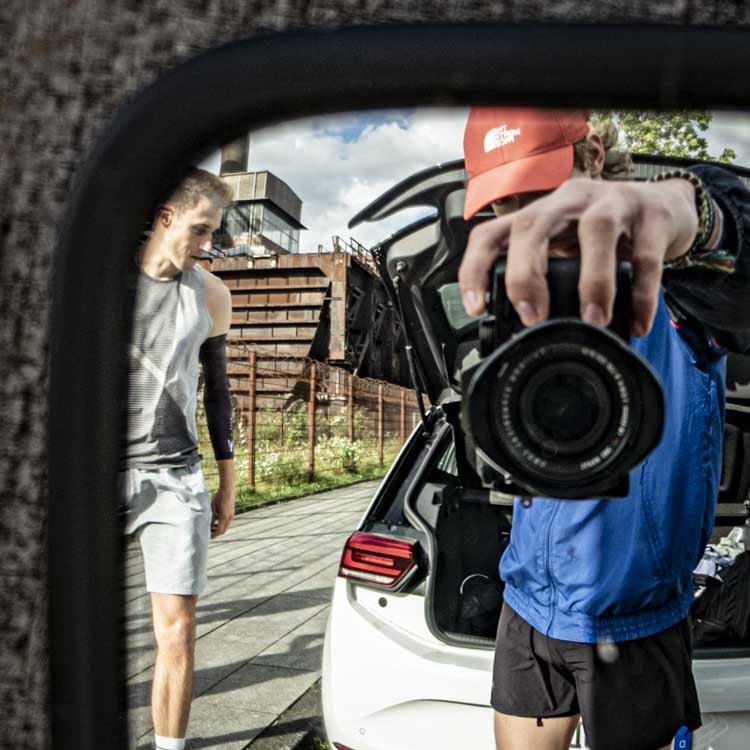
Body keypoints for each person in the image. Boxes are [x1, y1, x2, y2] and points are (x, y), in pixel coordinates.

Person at [459, 107, 750, 750]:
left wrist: (694, 216)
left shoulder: (672, 282)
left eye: (539, 191)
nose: (527, 219)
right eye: (503, 203)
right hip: (529, 605)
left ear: (591, 155)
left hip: (637, 622)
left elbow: (737, 256)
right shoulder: (518, 300)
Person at [119, 167, 236, 750]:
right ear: (167, 217)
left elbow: (219, 392)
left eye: (214, 232)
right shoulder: (102, 280)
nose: (208, 245)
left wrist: (228, 480)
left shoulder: (212, 294)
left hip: (176, 478)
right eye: (200, 230)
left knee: (179, 632)